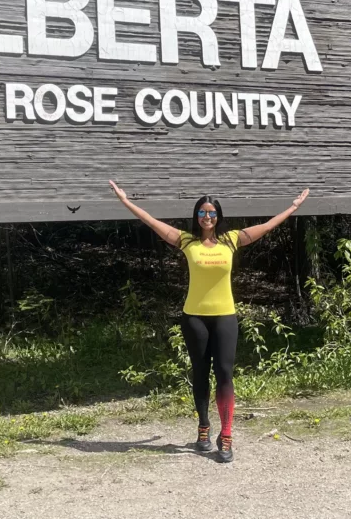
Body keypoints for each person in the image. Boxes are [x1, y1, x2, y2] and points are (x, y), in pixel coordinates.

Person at [109, 180, 309, 463]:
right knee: (201, 373)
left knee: (225, 373)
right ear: (196, 216)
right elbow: (151, 221)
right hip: (194, 318)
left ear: (218, 216)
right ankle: (204, 427)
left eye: (212, 212)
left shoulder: (231, 240)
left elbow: (267, 226)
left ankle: (225, 436)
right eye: (202, 213)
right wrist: (125, 201)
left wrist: (293, 207)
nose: (207, 217)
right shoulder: (185, 241)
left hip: (225, 316)